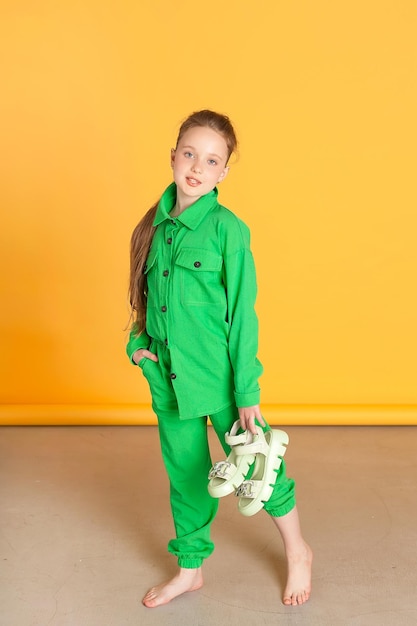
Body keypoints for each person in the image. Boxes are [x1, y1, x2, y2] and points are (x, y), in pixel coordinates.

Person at [126, 110, 312, 608]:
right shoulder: (152, 226)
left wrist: (247, 391)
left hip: (224, 381)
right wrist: (137, 347)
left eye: (211, 160)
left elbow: (242, 315)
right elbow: (144, 299)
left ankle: (298, 550)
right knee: (187, 477)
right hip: (167, 379)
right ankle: (190, 570)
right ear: (173, 157)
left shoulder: (230, 231)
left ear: (223, 172)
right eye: (189, 154)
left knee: (260, 467)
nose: (196, 167)